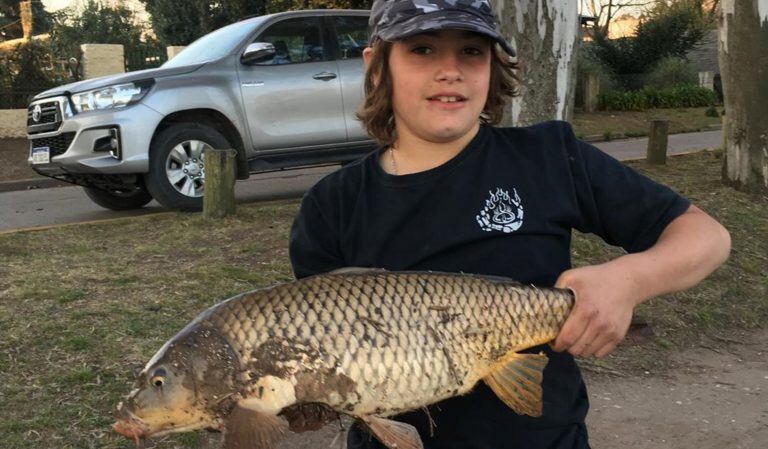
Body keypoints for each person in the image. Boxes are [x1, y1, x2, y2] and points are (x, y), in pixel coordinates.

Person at [288, 1, 731, 448]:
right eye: (421, 49)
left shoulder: (548, 157)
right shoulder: (331, 205)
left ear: (493, 65)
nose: (450, 70)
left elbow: (706, 236)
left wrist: (629, 280)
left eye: (471, 52)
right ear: (377, 66)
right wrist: (306, 400)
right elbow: (322, 355)